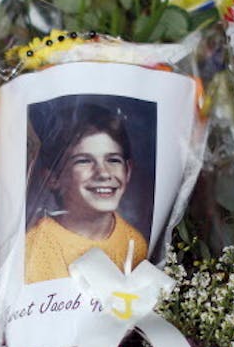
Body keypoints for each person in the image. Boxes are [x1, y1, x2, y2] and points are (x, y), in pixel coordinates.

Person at [24, 104, 148, 283]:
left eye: (113, 160)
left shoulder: (135, 243)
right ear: (53, 178)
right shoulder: (35, 246)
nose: (103, 173)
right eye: (84, 161)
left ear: (127, 171)